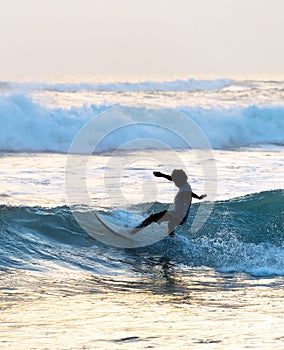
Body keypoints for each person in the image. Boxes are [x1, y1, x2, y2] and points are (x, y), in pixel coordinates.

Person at [132, 169, 207, 237]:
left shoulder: (185, 190)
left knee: (153, 217)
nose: (175, 183)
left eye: (176, 181)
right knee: (170, 226)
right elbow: (173, 179)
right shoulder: (185, 185)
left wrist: (196, 197)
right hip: (181, 216)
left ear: (180, 180)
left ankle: (133, 232)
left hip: (177, 215)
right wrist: (162, 175)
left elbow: (188, 193)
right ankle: (172, 240)